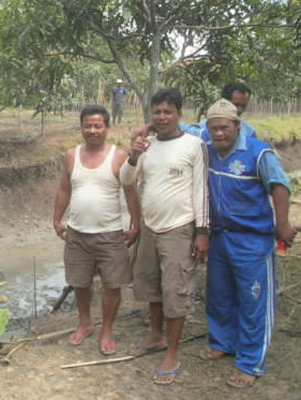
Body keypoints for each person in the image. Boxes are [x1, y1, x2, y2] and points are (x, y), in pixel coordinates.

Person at [201, 99, 296, 388]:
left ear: (237, 126)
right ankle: (223, 342)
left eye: (225, 128)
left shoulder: (258, 152)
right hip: (220, 236)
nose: (219, 134)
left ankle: (250, 361)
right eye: (214, 128)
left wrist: (282, 224)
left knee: (253, 299)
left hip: (252, 239)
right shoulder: (207, 149)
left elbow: (280, 185)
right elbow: (179, 125)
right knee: (219, 294)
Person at [120, 88, 209, 385]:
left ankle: (172, 353)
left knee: (176, 291)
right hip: (150, 228)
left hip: (179, 228)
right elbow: (127, 180)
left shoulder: (194, 145)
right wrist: (134, 154)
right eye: (156, 112)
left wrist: (201, 232)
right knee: (152, 286)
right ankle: (155, 337)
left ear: (179, 114)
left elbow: (201, 191)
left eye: (167, 111)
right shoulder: (147, 146)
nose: (161, 117)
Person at [53, 105, 141, 354]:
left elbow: (131, 193)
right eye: (87, 126)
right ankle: (85, 323)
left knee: (113, 285)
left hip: (110, 234)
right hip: (77, 233)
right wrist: (57, 219)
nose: (92, 130)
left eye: (97, 126)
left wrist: (136, 227)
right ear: (81, 127)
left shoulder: (120, 156)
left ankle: (107, 330)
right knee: (80, 283)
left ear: (107, 128)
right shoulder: (71, 155)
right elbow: (64, 189)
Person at [181, 82, 257, 139]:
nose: (239, 109)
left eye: (243, 106)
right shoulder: (202, 128)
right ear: (223, 101)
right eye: (236, 105)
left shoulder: (249, 132)